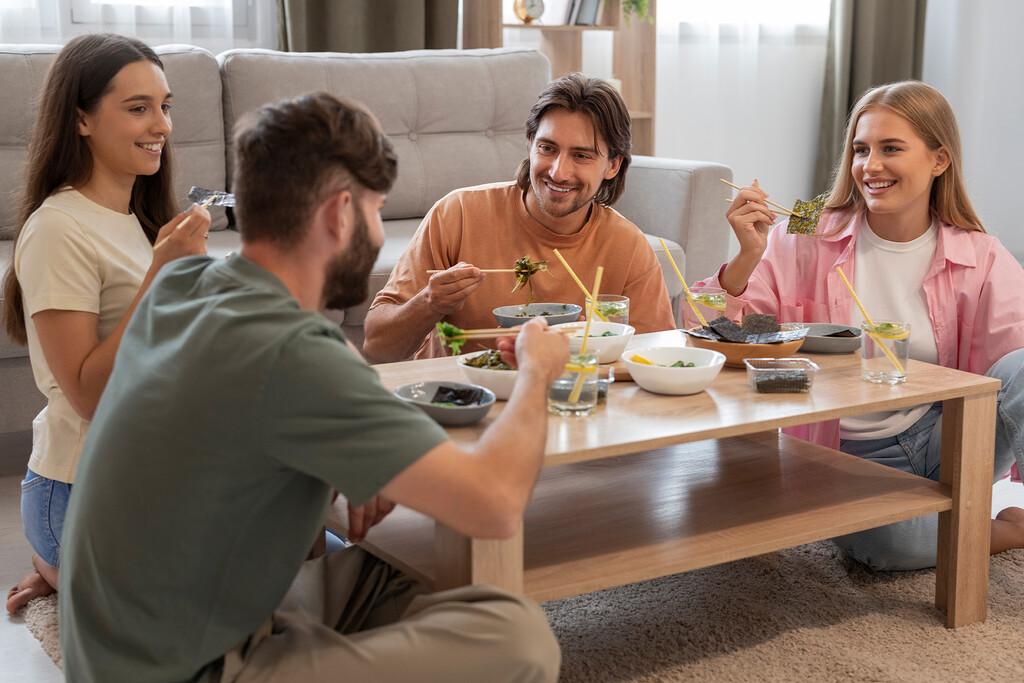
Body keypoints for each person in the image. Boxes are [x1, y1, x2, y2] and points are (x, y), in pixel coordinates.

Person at [58, 91, 566, 682]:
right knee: (519, 638)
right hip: (183, 671)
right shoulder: (290, 353)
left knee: (412, 560)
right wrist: (537, 370)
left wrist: (354, 418)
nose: (378, 233)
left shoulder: (184, 281)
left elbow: (288, 376)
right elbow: (497, 503)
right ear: (339, 214)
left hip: (119, 647)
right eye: (377, 211)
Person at [694, 80, 1024, 571]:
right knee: (891, 546)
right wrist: (746, 258)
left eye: (891, 149)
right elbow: (713, 331)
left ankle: (959, 514)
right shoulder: (804, 232)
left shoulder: (978, 254)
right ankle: (1000, 530)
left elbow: (1013, 368)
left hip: (945, 438)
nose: (871, 166)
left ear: (939, 160)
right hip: (840, 452)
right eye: (861, 149)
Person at [1, 33, 210, 613]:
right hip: (84, 488)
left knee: (325, 554)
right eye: (137, 108)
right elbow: (90, 394)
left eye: (165, 106)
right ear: (82, 120)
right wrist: (162, 279)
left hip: (158, 476)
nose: (162, 125)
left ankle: (73, 570)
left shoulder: (142, 222)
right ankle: (59, 559)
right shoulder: (58, 229)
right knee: (230, 603)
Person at [363, 72, 675, 363]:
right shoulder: (457, 214)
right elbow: (377, 347)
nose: (558, 171)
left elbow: (654, 360)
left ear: (612, 165)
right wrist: (429, 303)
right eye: (547, 148)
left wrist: (595, 346)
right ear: (529, 142)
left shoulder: (629, 247)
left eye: (581, 155)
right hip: (458, 403)